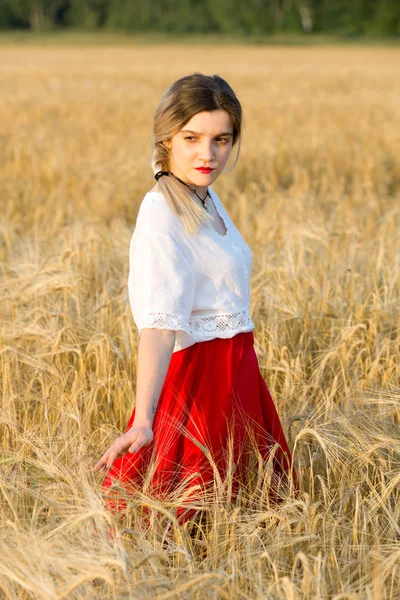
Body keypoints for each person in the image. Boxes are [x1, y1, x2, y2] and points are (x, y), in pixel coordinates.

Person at [93, 72, 298, 525]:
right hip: (200, 385)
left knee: (245, 525)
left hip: (238, 377)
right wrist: (144, 418)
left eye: (222, 139)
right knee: (188, 524)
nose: (208, 153)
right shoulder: (162, 213)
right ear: (167, 139)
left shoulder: (203, 198)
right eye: (192, 138)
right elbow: (160, 324)